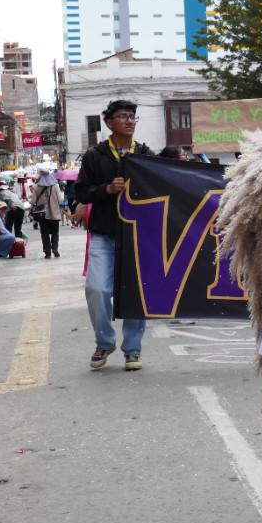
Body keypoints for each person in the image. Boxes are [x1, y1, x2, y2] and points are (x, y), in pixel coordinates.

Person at [75, 99, 154, 371]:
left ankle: (132, 350)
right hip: (103, 234)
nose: (129, 121)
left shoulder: (145, 154)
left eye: (132, 116)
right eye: (123, 116)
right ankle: (104, 341)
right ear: (109, 123)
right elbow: (81, 193)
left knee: (135, 293)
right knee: (96, 289)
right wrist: (106, 190)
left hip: (136, 236)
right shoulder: (94, 156)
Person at [31, 168, 64, 258]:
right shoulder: (55, 186)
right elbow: (60, 200)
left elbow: (33, 201)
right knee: (55, 232)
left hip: (42, 215)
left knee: (44, 233)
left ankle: (47, 251)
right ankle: (55, 248)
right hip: (54, 214)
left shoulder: (36, 187)